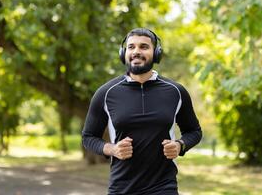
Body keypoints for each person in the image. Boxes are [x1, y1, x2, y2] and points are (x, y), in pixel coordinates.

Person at [82, 28, 202, 195]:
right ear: (124, 53)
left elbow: (194, 131)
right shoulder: (106, 93)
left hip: (163, 186)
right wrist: (113, 149)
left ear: (156, 53)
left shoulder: (176, 91)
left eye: (144, 47)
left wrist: (180, 145)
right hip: (122, 188)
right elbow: (88, 137)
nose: (136, 51)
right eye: (131, 47)